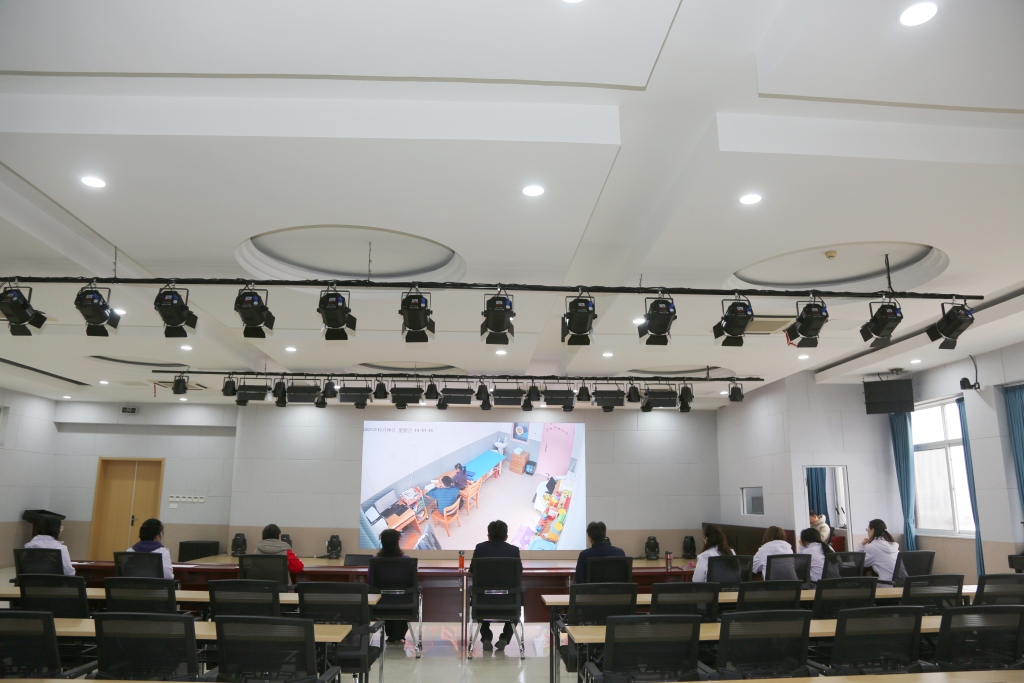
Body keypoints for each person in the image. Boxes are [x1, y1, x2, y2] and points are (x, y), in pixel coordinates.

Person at [469, 520, 523, 651]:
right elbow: (519, 571)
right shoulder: (514, 551)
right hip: (509, 604)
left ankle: (486, 637)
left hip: (482, 603)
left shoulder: (480, 548)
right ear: (506, 537)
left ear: (488, 536)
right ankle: (505, 637)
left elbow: (472, 570)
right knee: (519, 598)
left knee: (477, 593)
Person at [377, 528, 410, 643]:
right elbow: (411, 582)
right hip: (404, 602)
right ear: (397, 542)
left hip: (380, 603)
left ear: (382, 542)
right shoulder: (406, 561)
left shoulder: (375, 561)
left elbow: (370, 582)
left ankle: (392, 634)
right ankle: (398, 634)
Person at [861, 518, 900, 583]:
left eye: (868, 529)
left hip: (886, 584)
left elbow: (861, 563)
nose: (867, 532)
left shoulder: (872, 547)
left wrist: (861, 545)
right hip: (900, 584)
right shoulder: (893, 544)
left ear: (873, 530)